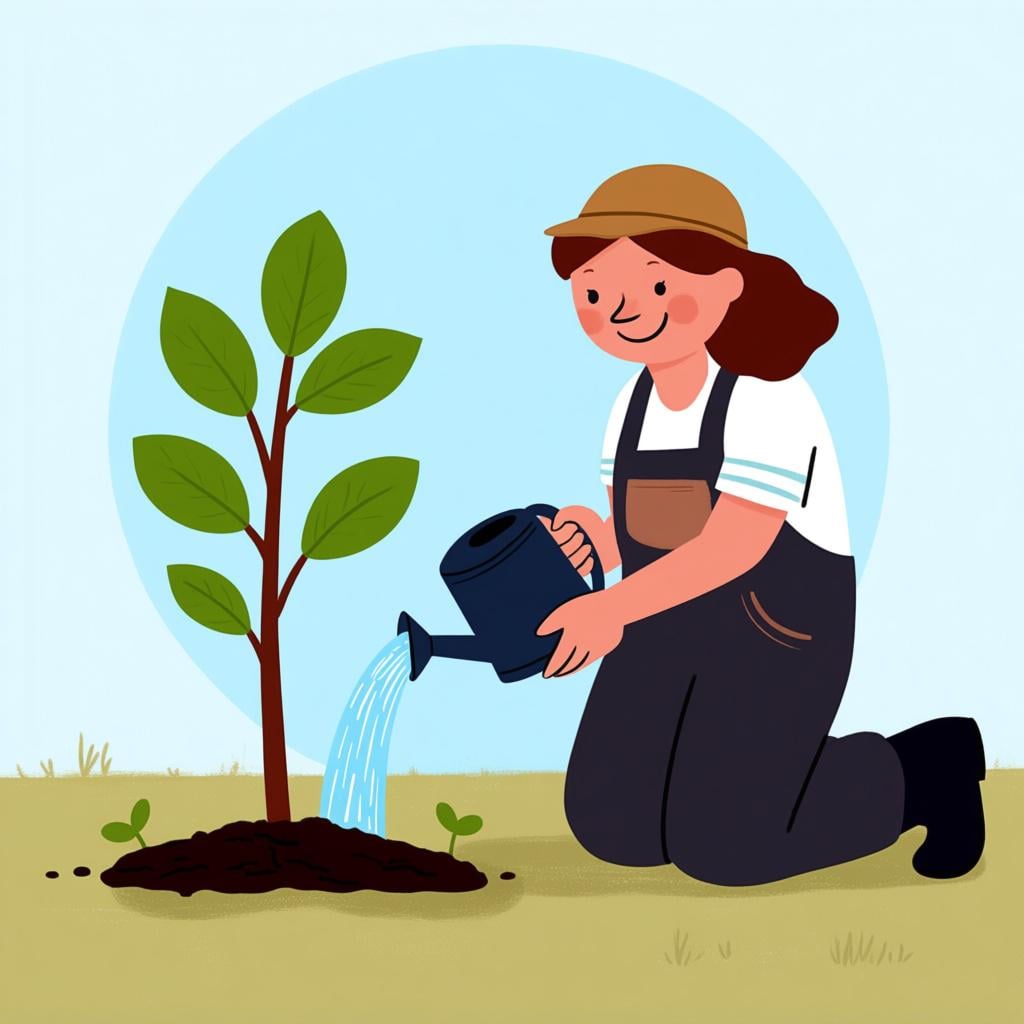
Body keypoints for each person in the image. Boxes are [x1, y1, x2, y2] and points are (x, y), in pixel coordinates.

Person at [535, 164, 986, 885]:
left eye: (652, 284)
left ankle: (924, 767)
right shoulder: (632, 403)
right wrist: (600, 534)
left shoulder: (768, 397)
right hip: (664, 623)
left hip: (772, 630)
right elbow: (650, 530)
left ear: (726, 284)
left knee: (725, 847)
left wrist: (610, 607)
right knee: (611, 824)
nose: (618, 309)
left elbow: (735, 543)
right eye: (593, 291)